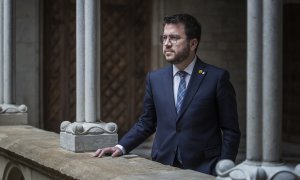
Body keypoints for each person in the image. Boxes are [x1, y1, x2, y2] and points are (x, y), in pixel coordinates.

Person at [93, 13, 241, 176]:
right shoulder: (155, 78)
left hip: (204, 168)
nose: (167, 44)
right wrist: (121, 147)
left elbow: (230, 130)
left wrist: (224, 168)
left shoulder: (217, 78)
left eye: (174, 38)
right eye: (164, 38)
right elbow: (147, 122)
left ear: (193, 43)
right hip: (162, 167)